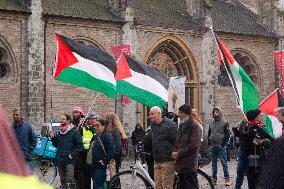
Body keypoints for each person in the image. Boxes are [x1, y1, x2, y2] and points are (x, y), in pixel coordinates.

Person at [0, 106, 52, 189]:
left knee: (28, 178)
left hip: (27, 157)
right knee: (17, 178)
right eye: (14, 115)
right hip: (16, 159)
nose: (15, 116)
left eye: (17, 115)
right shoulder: (11, 128)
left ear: (21, 116)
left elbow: (34, 139)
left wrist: (30, 148)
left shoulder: (27, 127)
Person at [143, 106, 177, 189]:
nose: (150, 116)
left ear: (159, 114)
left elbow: (177, 140)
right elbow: (151, 138)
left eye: (152, 114)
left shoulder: (170, 125)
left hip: (167, 161)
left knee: (167, 186)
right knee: (158, 186)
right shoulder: (153, 125)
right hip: (156, 160)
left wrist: (175, 151)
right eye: (149, 114)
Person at [172, 104, 202, 189]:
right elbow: (178, 140)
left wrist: (179, 153)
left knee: (191, 186)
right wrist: (175, 151)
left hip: (189, 164)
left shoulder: (195, 126)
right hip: (181, 163)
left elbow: (193, 146)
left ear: (186, 114)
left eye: (181, 113)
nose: (179, 115)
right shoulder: (182, 125)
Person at [50, 114, 83, 189]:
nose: (61, 121)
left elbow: (80, 145)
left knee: (70, 179)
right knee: (62, 180)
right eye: (61, 119)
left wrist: (73, 154)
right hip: (60, 159)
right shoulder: (59, 132)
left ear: (68, 121)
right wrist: (53, 138)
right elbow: (56, 145)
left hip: (69, 160)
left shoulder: (74, 132)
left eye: (63, 119)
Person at [245, 109, 272, 189]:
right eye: (260, 115)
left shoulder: (258, 127)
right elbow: (255, 141)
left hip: (260, 156)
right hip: (253, 158)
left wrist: (267, 140)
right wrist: (265, 141)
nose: (262, 116)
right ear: (256, 117)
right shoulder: (250, 128)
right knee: (254, 181)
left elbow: (267, 138)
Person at [208, 107, 232, 186]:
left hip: (221, 146)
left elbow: (227, 134)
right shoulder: (211, 122)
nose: (215, 113)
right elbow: (209, 132)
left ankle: (227, 179)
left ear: (220, 113)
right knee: (213, 163)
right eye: (214, 112)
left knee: (224, 163)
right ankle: (214, 179)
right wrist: (209, 142)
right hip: (213, 145)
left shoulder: (224, 122)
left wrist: (223, 144)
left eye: (217, 112)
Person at [76, 113, 97, 189]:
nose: (92, 120)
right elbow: (78, 141)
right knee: (85, 176)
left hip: (94, 155)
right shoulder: (83, 129)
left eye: (94, 119)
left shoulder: (97, 129)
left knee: (95, 177)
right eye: (91, 119)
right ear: (88, 120)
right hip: (84, 155)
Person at [91, 119, 114, 189]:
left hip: (101, 166)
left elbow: (111, 151)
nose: (96, 127)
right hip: (94, 165)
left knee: (99, 185)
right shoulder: (95, 137)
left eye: (98, 125)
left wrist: (104, 160)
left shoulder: (107, 136)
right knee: (95, 185)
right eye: (95, 126)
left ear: (104, 126)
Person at [232, 117, 250, 189]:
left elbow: (247, 134)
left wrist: (247, 124)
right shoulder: (242, 122)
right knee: (240, 169)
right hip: (242, 149)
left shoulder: (251, 123)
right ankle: (237, 186)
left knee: (250, 171)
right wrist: (235, 130)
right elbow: (240, 135)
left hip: (250, 151)